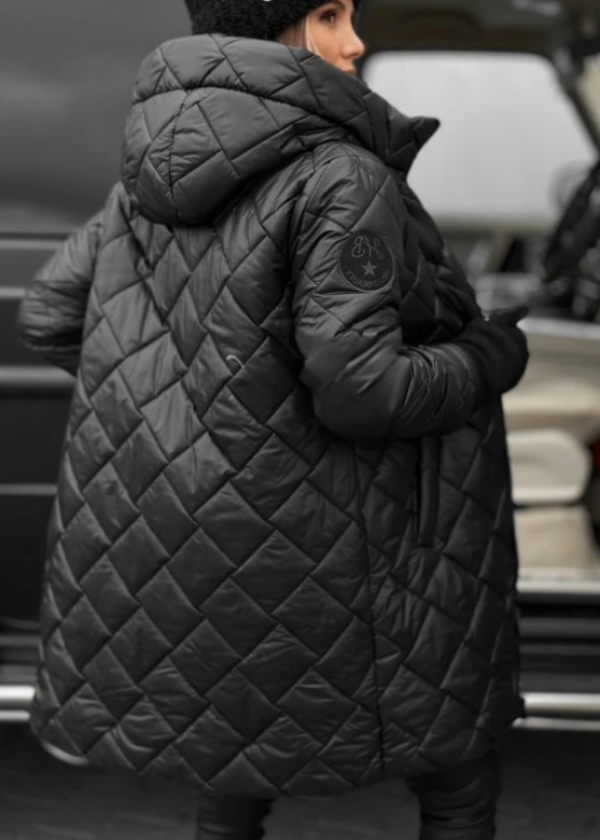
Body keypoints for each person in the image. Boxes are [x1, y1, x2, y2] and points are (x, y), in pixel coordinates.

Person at [17, 1, 529, 838]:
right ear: (267, 27)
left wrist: (183, 407)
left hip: (209, 551)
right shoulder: (342, 175)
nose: (355, 41)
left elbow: (48, 316)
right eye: (329, 14)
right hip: (350, 549)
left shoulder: (145, 180)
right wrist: (489, 357)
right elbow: (365, 390)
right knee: (457, 774)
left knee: (233, 760)